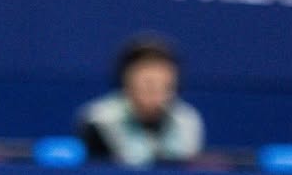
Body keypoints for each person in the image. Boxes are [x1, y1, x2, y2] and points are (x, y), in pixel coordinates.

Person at [77, 36, 205, 168]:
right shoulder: (98, 120)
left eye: (164, 85)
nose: (156, 91)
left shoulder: (187, 119)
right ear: (126, 81)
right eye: (148, 84)